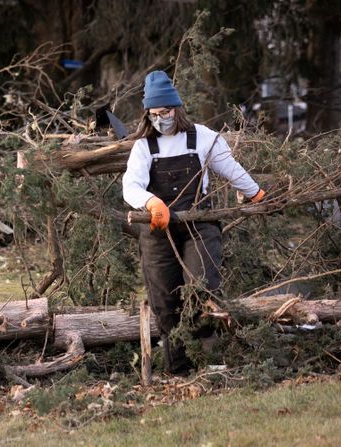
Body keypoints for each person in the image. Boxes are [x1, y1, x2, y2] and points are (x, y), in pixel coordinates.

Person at [122, 71, 265, 374]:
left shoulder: (203, 137)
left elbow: (232, 169)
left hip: (199, 225)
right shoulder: (143, 147)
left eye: (166, 112)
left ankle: (209, 361)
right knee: (164, 299)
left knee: (202, 289)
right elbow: (130, 186)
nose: (162, 118)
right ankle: (178, 368)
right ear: (148, 114)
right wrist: (151, 202)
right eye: (155, 114)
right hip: (157, 231)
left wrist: (256, 194)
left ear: (177, 108)